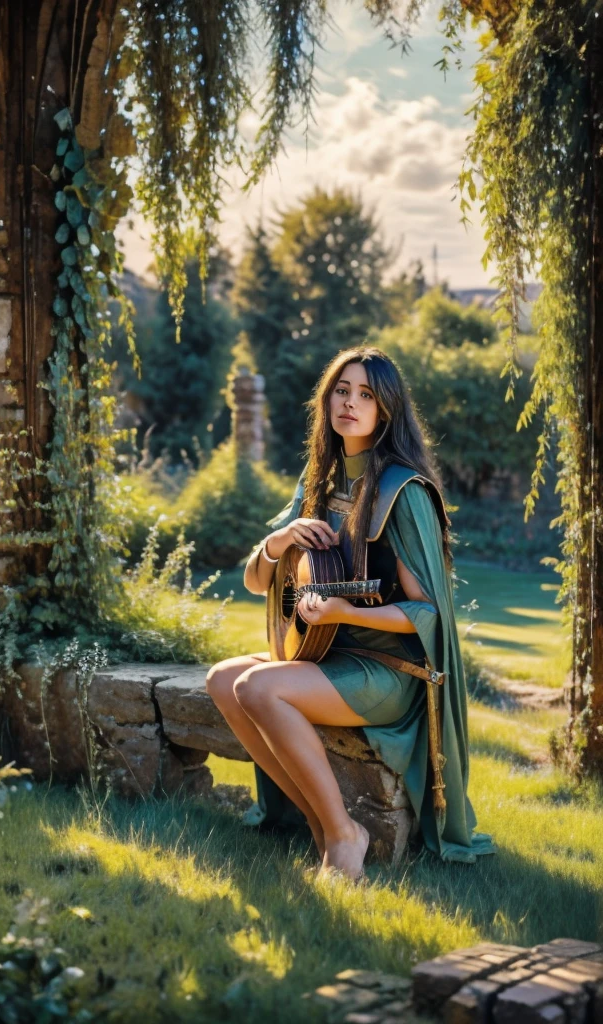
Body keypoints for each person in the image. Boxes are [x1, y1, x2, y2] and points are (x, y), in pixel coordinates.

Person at [205, 346, 496, 881]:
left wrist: (344, 610)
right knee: (223, 680)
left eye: (366, 394)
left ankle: (343, 835)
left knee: (257, 688)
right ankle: (319, 825)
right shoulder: (320, 480)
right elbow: (255, 581)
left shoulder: (401, 492)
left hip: (387, 672)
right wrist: (279, 539)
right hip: (327, 655)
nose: (351, 403)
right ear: (327, 399)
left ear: (385, 409)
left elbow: (427, 614)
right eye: (342, 390)